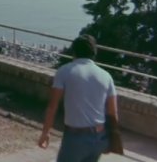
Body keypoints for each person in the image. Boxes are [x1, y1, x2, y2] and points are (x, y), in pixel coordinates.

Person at [38, 34, 118, 162]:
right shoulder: (106, 76)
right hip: (99, 135)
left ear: (74, 52)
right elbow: (112, 112)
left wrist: (45, 132)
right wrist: (112, 140)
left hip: (76, 137)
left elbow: (53, 106)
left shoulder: (65, 71)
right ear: (94, 52)